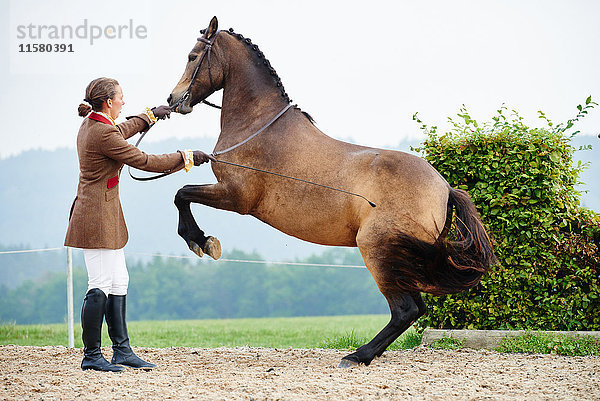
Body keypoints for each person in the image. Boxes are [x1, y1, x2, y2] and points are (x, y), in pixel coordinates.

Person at [65, 77, 214, 372]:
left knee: (119, 281)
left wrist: (150, 117)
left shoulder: (98, 125)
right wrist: (186, 158)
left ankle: (121, 351)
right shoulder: (100, 133)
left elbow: (121, 129)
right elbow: (144, 160)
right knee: (99, 286)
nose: (124, 101)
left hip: (105, 215)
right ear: (108, 102)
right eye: (121, 97)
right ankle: (91, 356)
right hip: (94, 218)